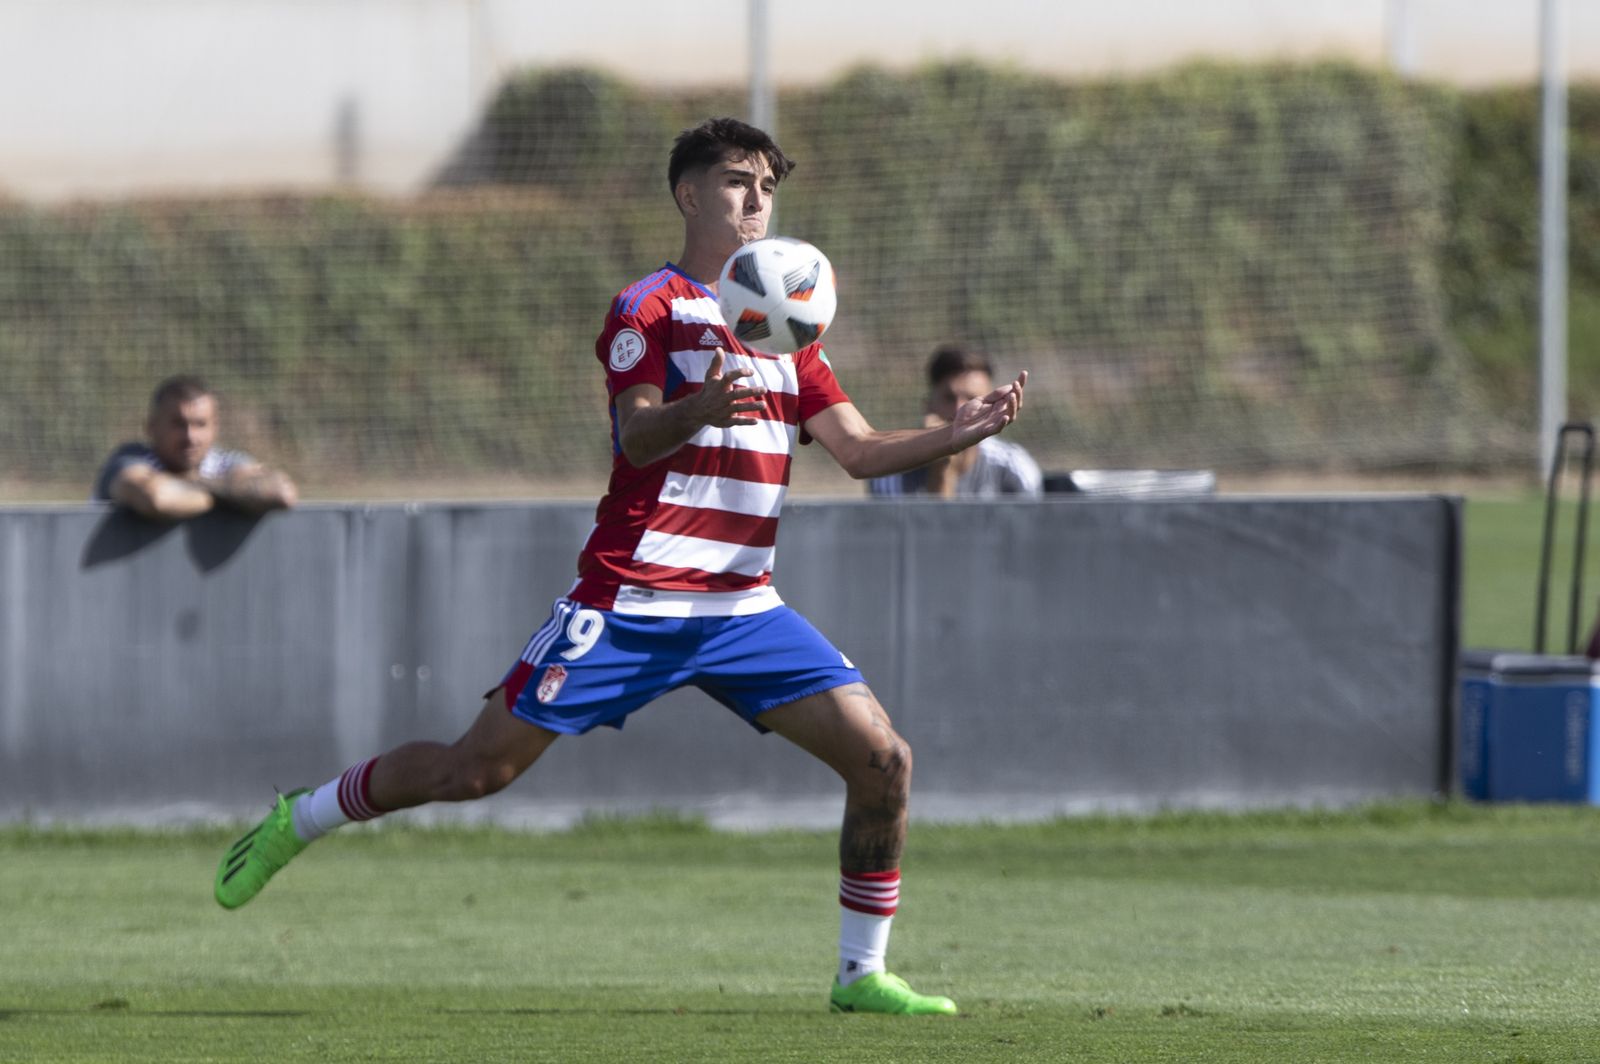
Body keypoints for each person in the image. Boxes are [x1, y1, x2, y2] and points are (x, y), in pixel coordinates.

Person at [213, 117, 1027, 1017]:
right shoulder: (649, 306)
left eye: (767, 185)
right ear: (688, 195)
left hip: (742, 609)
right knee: (472, 771)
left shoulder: (792, 324)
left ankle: (860, 975)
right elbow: (638, 434)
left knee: (884, 761)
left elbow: (865, 451)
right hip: (634, 596)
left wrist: (953, 433)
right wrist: (700, 406)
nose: (756, 200)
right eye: (735, 181)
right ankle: (307, 814)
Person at [93, 375, 299, 519]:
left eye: (200, 424)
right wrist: (231, 493)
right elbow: (157, 498)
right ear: (151, 427)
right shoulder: (128, 460)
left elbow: (280, 493)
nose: (190, 437)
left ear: (215, 427)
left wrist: (193, 490)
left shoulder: (226, 462)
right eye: (178, 424)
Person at [868, 345, 1043, 499]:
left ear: (992, 407)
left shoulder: (1012, 466)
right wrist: (943, 471)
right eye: (949, 398)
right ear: (927, 405)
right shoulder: (892, 471)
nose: (960, 409)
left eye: (972, 399)